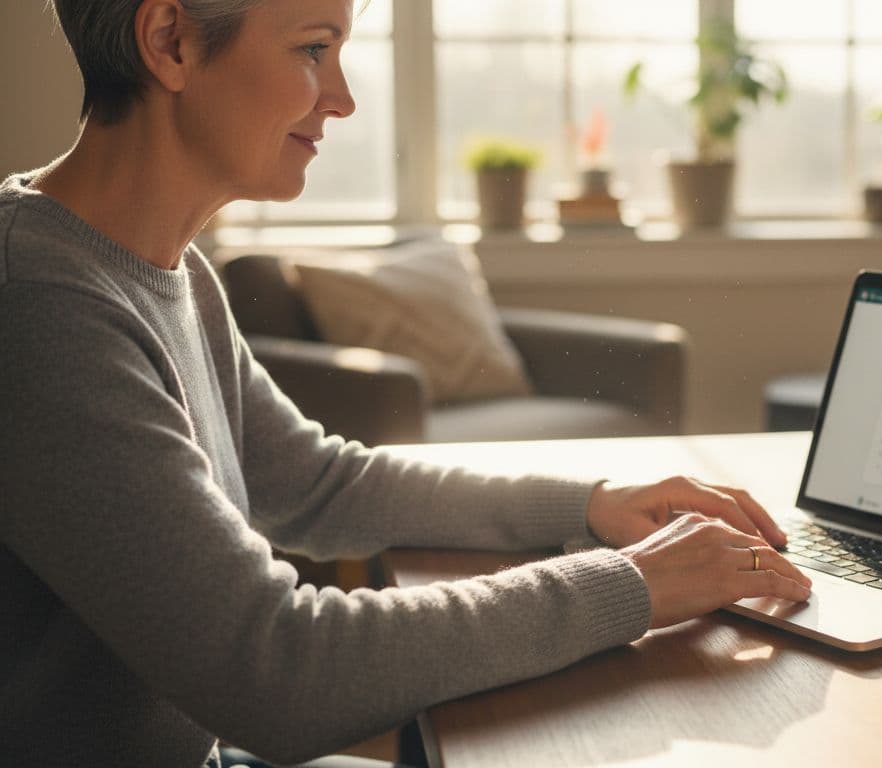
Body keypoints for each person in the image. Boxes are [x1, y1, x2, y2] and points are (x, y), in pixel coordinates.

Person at [0, 1, 813, 766]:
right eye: (314, 49)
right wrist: (631, 585)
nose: (344, 98)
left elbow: (319, 483)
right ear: (170, 40)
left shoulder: (159, 268)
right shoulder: (40, 306)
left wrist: (592, 503)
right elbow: (276, 669)